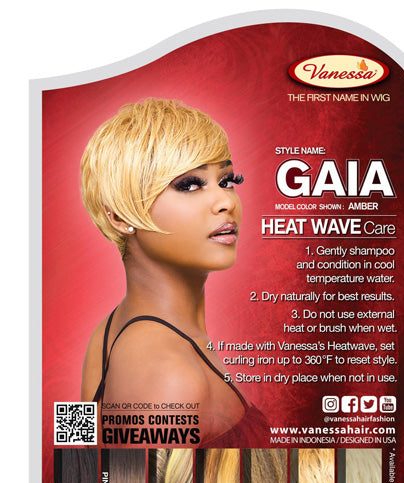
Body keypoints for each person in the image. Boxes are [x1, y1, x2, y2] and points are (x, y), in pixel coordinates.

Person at [80, 99, 265, 447]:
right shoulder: (168, 374)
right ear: (120, 217)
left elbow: (82, 463)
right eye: (190, 185)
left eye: (227, 180)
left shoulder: (107, 332)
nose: (226, 202)